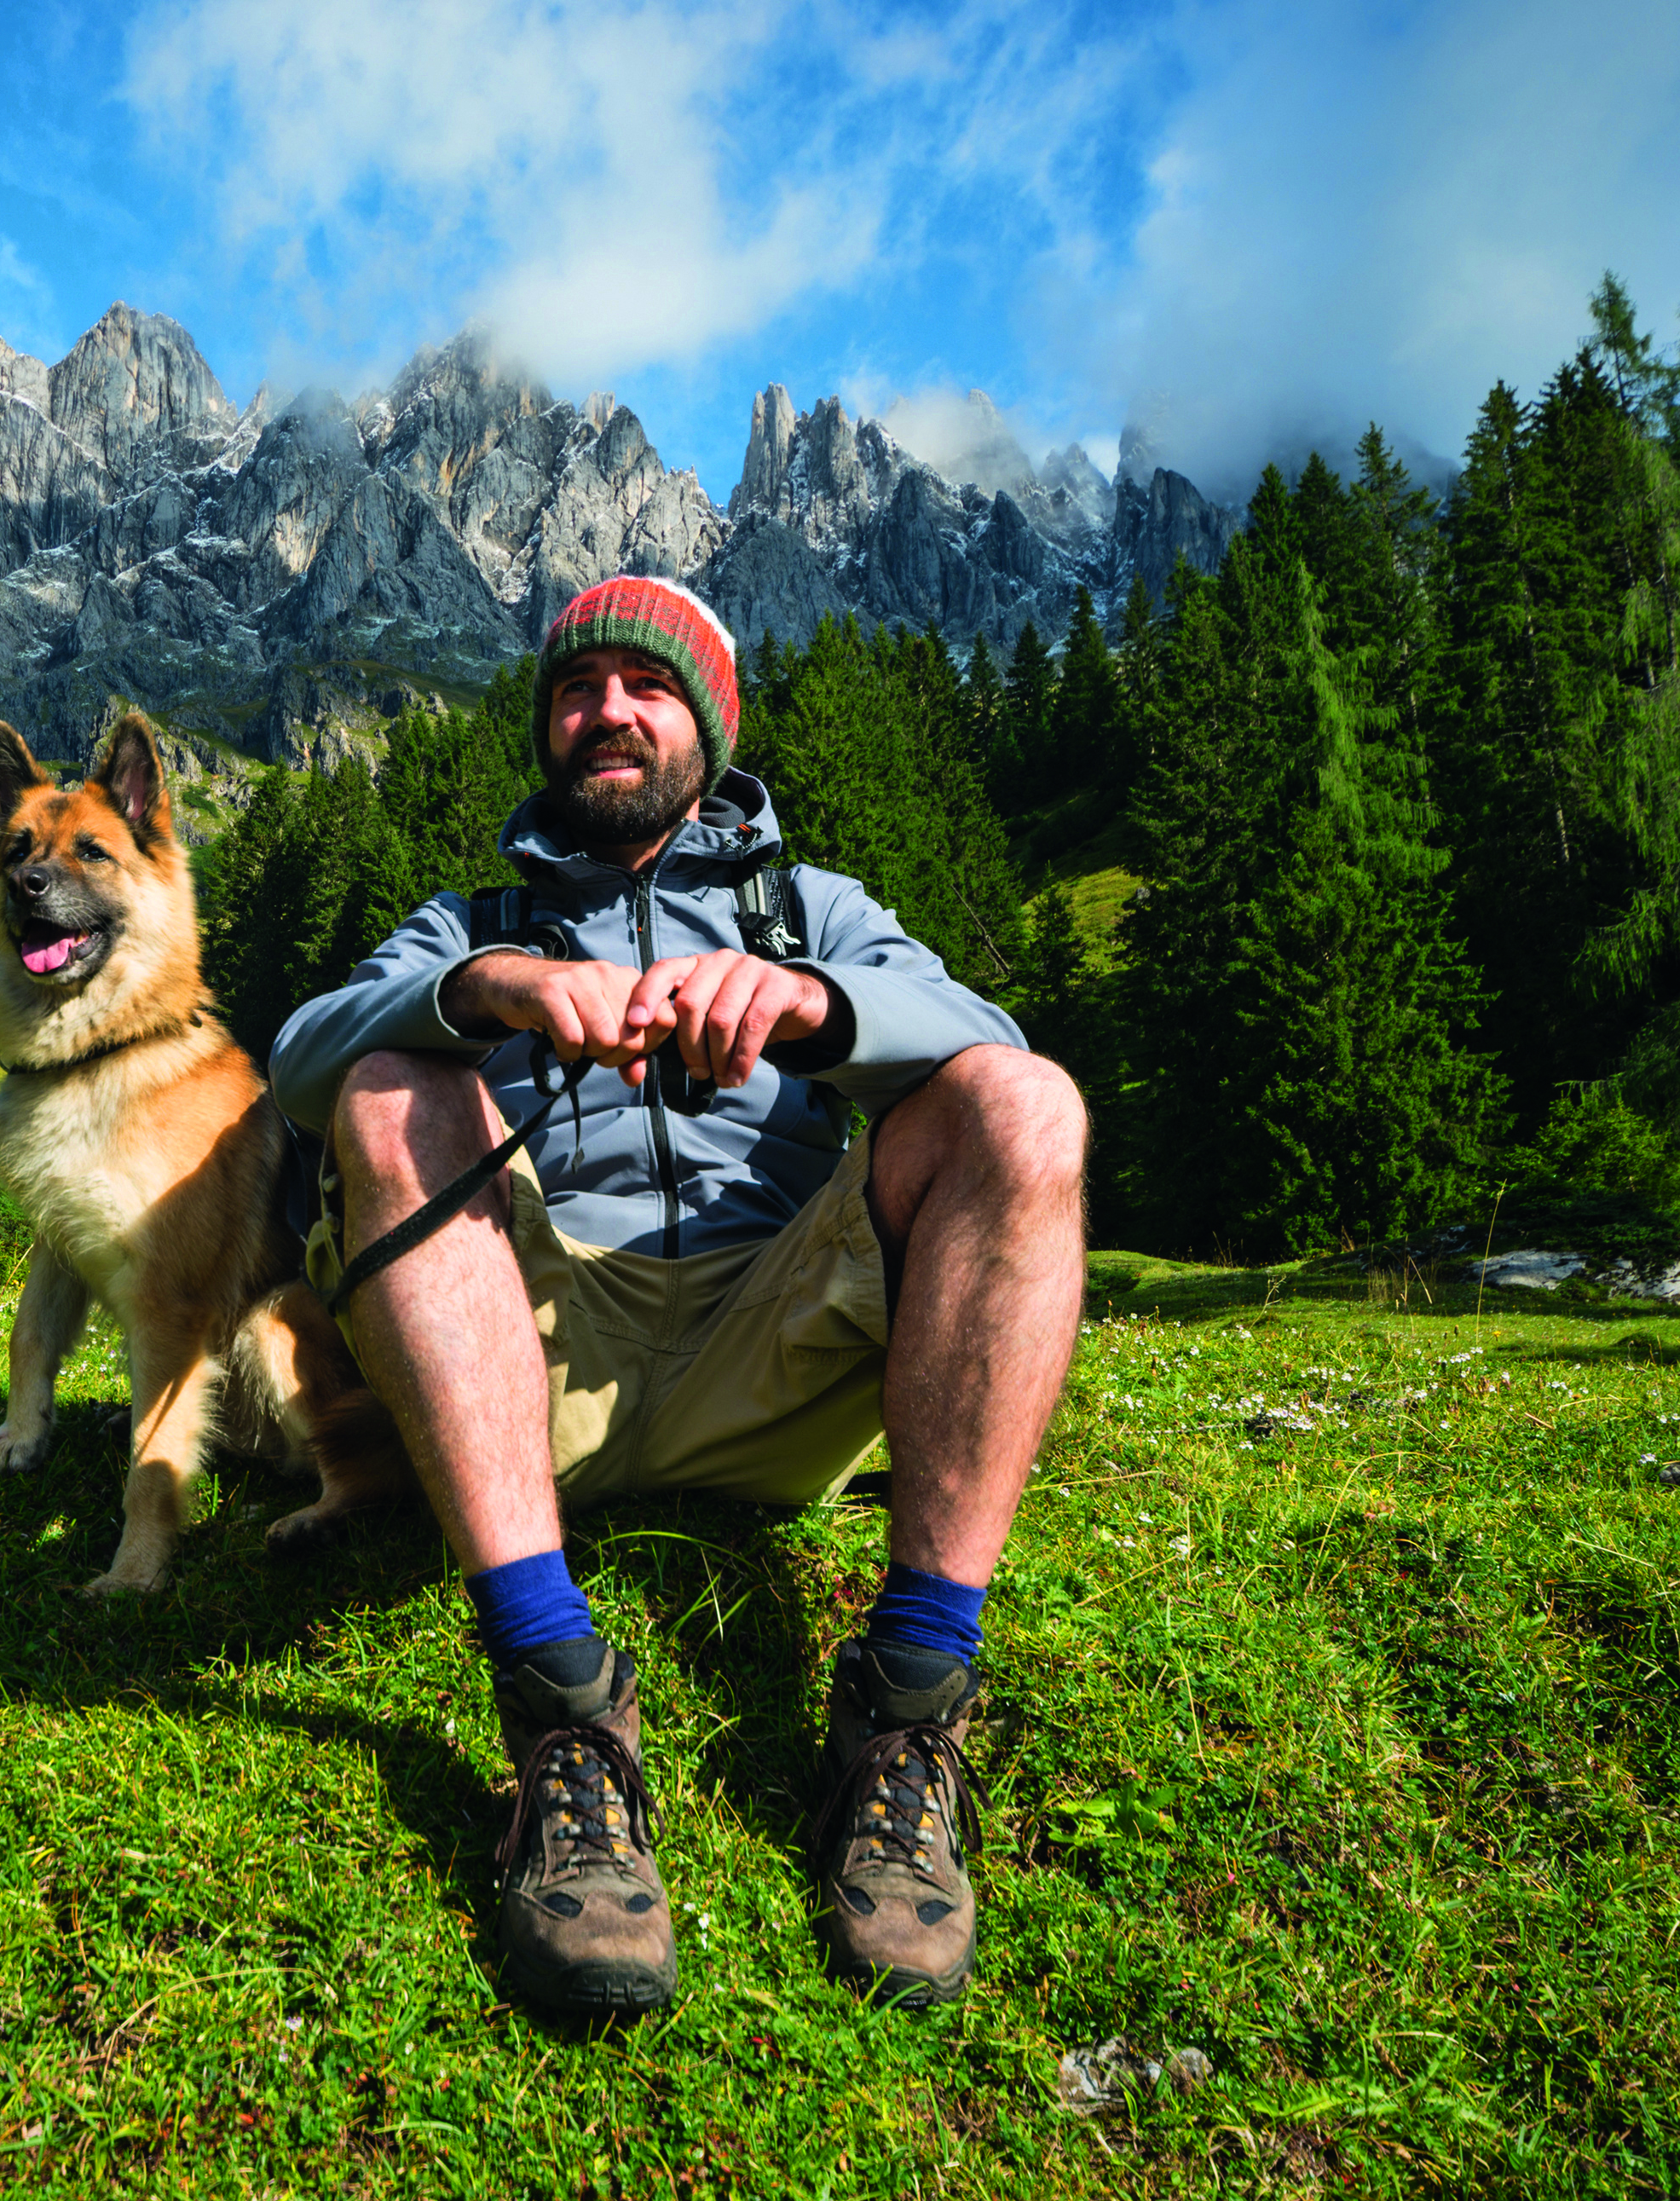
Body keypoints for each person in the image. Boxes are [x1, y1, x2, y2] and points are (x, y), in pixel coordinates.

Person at [268, 575, 1088, 2019]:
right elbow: (300, 1058)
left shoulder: (809, 907)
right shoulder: (480, 918)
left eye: (647, 687)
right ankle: (556, 1702)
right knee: (393, 1086)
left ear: (705, 722)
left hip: (780, 1348)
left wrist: (815, 1009)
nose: (608, 713)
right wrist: (489, 989)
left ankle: (907, 1709)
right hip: (535, 1369)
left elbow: (989, 1037)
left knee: (1024, 1108)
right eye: (578, 690)